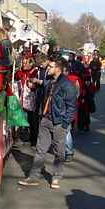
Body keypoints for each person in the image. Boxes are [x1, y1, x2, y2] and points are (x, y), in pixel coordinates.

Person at [19, 58, 77, 188]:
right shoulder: (51, 82)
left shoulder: (67, 85)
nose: (48, 68)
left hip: (58, 122)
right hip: (45, 119)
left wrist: (64, 123)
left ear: (58, 68)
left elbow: (72, 107)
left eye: (50, 66)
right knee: (40, 149)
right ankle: (34, 177)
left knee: (59, 151)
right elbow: (43, 84)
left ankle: (56, 177)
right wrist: (34, 81)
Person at [15, 56, 39, 146]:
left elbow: (34, 85)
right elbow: (16, 77)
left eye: (26, 63)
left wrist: (32, 84)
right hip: (21, 98)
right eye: (23, 63)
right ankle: (22, 135)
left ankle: (33, 139)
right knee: (21, 118)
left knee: (32, 120)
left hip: (30, 99)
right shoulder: (20, 71)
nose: (24, 64)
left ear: (31, 64)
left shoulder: (34, 72)